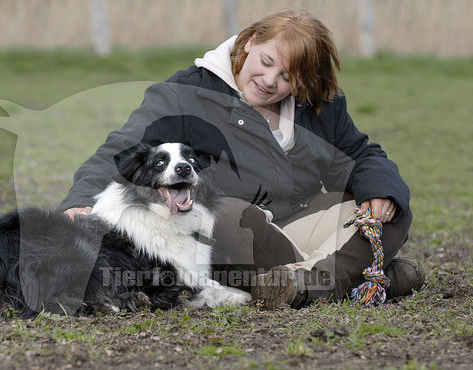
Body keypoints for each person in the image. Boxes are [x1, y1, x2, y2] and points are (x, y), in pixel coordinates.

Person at [59, 9, 425, 309]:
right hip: (241, 234)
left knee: (390, 206)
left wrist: (381, 191)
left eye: (287, 77)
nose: (269, 81)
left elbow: (360, 155)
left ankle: (304, 284)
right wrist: (78, 203)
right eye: (265, 61)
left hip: (300, 224)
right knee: (227, 215)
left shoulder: (318, 104)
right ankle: (372, 277)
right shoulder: (185, 93)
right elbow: (121, 150)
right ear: (250, 41)